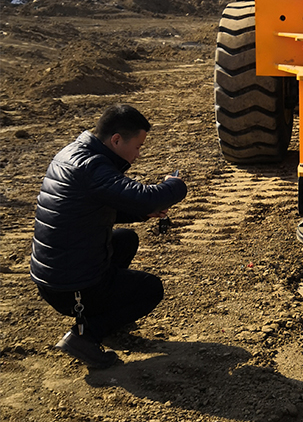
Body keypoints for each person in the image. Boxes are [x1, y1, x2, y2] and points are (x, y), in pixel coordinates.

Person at [30, 104, 187, 368]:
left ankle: (105, 315)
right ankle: (85, 335)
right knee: (150, 289)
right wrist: (175, 184)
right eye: (137, 147)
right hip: (70, 287)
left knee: (125, 240)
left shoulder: (72, 153)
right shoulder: (92, 166)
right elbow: (148, 198)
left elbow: (96, 208)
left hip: (55, 275)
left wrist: (144, 214)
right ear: (116, 140)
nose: (137, 155)